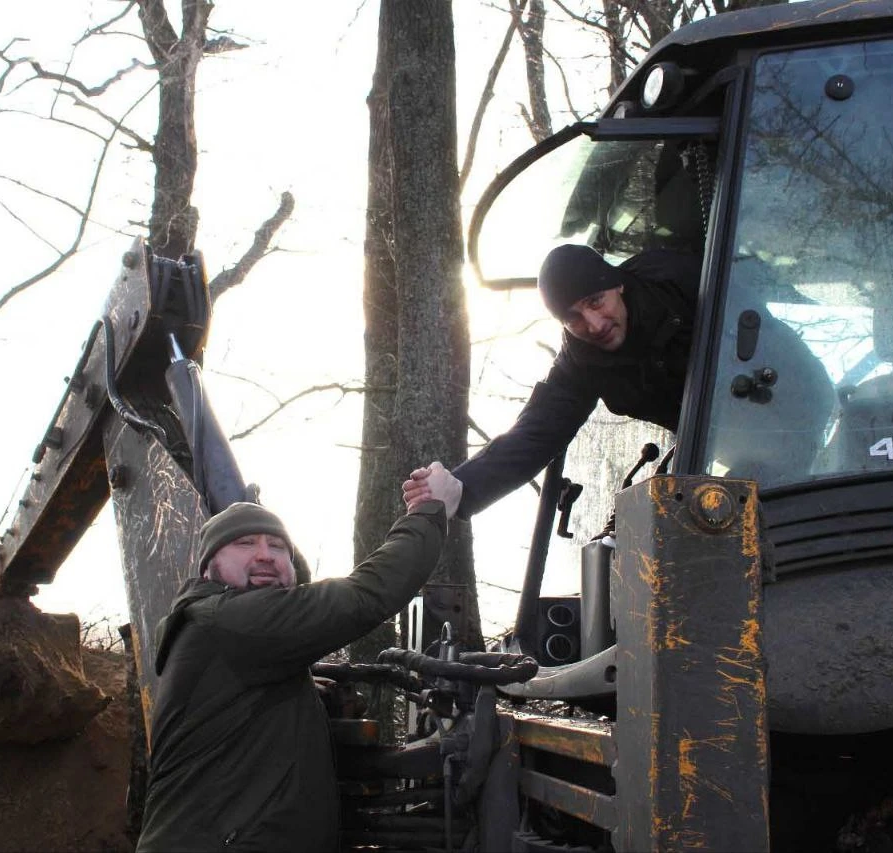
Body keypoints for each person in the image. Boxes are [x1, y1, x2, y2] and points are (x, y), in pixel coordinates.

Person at [402, 243, 833, 518]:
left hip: (800, 399)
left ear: (618, 285)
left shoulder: (682, 280)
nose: (593, 324)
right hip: (738, 448)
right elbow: (536, 433)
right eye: (573, 317)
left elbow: (758, 311)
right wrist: (461, 489)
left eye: (595, 301)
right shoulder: (582, 363)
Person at [135, 498, 446, 853]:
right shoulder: (228, 620)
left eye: (278, 546)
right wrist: (428, 512)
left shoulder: (247, 646)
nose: (265, 555)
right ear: (208, 568)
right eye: (245, 543)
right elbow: (366, 595)